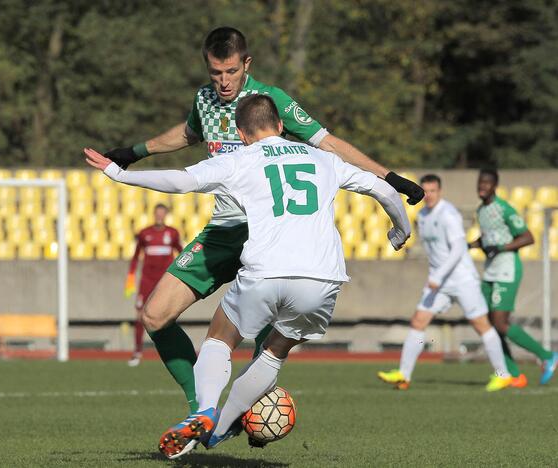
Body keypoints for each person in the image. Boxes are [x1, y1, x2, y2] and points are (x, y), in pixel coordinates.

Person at [101, 26, 424, 413]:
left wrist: (389, 177)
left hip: (268, 232)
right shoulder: (203, 99)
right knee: (155, 315)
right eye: (216, 73)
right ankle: (199, 410)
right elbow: (189, 134)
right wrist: (137, 151)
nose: (223, 81)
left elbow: (329, 143)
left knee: (264, 326)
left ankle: (247, 408)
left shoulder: (272, 102)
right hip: (223, 229)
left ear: (246, 63)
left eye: (231, 72)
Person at [85, 94, 412, 459]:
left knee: (221, 339)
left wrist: (118, 173)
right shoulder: (323, 159)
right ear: (281, 125)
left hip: (266, 271)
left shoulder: (239, 159)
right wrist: (399, 231)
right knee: (274, 352)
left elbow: (181, 181)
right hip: (322, 277)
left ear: (241, 133)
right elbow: (381, 188)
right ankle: (220, 430)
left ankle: (205, 410)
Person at [377, 174, 512, 392]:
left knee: (481, 325)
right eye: (426, 191)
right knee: (418, 321)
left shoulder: (448, 214)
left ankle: (503, 375)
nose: (428, 195)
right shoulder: (423, 215)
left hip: (461, 279)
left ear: (440, 191)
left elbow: (458, 249)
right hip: (439, 282)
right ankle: (404, 375)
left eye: (433, 191)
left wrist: (438, 276)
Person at [468, 169, 557, 385]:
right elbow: (488, 236)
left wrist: (502, 248)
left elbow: (528, 237)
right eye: (480, 183)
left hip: (507, 269)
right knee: (488, 323)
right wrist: (470, 245)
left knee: (500, 322)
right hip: (490, 271)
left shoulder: (505, 209)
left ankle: (547, 357)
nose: (482, 186)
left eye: (487, 183)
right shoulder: (481, 210)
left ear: (494, 186)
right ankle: (514, 375)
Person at [124, 204, 182, 366]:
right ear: (154, 214)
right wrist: (130, 279)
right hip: (147, 280)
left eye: (162, 213)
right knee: (140, 315)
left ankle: (171, 352)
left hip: (164, 281)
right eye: (157, 213)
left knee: (168, 315)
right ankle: (137, 352)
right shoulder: (144, 234)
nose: (159, 216)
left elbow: (182, 252)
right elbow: (136, 257)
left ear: (166, 215)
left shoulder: (172, 233)